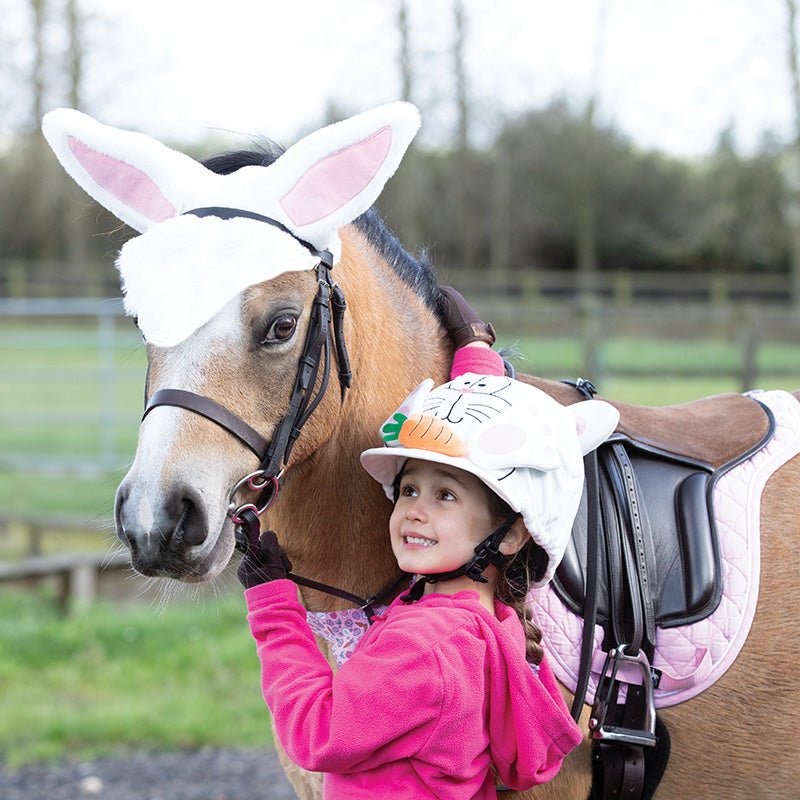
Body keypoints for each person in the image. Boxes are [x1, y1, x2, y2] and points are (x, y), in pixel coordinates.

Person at [238, 288, 619, 799]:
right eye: (410, 489)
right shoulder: (492, 628)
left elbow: (318, 734)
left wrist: (273, 611)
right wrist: (474, 359)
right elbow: (469, 448)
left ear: (508, 534)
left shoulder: (424, 647)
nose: (415, 509)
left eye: (444, 496)